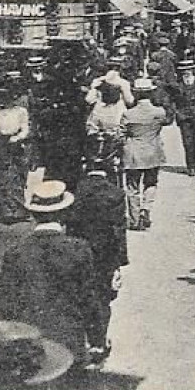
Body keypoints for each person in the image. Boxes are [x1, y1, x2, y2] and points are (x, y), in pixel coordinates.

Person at [0, 181, 103, 369]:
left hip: (29, 345)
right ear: (64, 214)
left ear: (34, 215)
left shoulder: (16, 252)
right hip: (68, 342)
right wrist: (97, 340)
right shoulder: (79, 249)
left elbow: (4, 303)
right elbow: (89, 300)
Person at [64, 140, 127, 363]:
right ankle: (98, 342)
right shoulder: (116, 194)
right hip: (104, 256)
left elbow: (69, 224)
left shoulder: (75, 191)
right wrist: (119, 263)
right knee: (102, 298)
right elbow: (119, 231)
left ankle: (79, 341)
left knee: (77, 295)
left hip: (75, 251)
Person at [120, 78, 171, 230]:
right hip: (153, 151)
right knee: (151, 183)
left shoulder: (128, 114)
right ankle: (146, 209)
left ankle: (134, 219)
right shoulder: (159, 112)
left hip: (133, 153)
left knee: (132, 187)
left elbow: (121, 134)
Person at [0, 78, 33, 224]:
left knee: (15, 176)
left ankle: (17, 210)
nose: (3, 99)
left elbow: (25, 130)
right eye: (0, 95)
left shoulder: (20, 112)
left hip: (15, 145)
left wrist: (17, 138)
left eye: (6, 95)